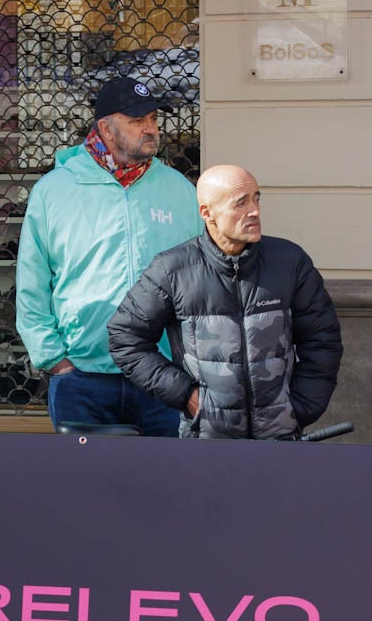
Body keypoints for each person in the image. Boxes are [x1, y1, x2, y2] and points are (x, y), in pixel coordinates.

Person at [16, 75, 200, 437]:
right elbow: (31, 284)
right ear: (105, 128)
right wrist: (55, 360)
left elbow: (201, 277)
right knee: (86, 491)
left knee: (166, 487)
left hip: (164, 375)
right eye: (137, 121)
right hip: (82, 378)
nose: (150, 129)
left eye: (153, 119)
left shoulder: (179, 190)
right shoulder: (55, 191)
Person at [106, 164, 342, 439]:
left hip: (280, 439)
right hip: (207, 442)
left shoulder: (290, 262)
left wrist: (300, 407)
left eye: (256, 198)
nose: (254, 211)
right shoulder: (172, 270)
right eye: (240, 203)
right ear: (207, 213)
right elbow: (125, 337)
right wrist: (187, 396)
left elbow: (322, 339)